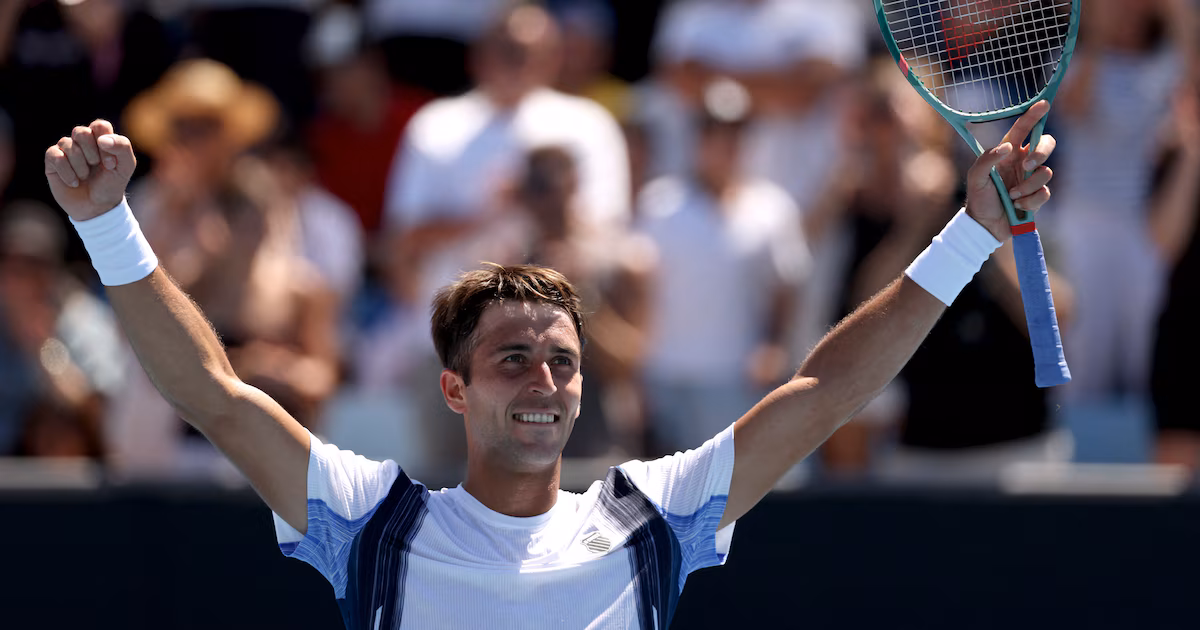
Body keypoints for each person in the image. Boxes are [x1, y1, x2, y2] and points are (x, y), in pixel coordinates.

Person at [42, 102, 1056, 627]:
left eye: (562, 363)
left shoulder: (652, 516)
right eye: (513, 359)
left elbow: (825, 391)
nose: (543, 382)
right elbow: (216, 399)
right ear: (455, 389)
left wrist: (969, 233)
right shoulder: (373, 520)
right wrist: (108, 227)